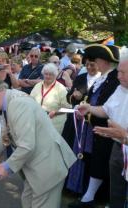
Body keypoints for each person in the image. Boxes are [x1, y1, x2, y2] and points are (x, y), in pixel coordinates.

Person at [0, 76, 76, 208]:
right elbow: (6, 138)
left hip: (47, 169)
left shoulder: (17, 104)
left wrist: (6, 166)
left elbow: (27, 146)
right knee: (27, 202)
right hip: (37, 169)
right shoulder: (9, 102)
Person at [68, 44, 120, 208]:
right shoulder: (104, 78)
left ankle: (92, 199)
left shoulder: (113, 80)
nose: (94, 63)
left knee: (101, 164)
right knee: (94, 162)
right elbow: (94, 102)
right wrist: (84, 108)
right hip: (94, 129)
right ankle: (88, 197)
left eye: (96, 59)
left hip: (107, 130)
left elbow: (107, 109)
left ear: (103, 61)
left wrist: (88, 110)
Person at [77, 57, 128, 208]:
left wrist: (124, 135)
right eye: (118, 72)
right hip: (117, 147)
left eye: (123, 73)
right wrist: (89, 108)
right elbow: (106, 110)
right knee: (117, 191)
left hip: (122, 142)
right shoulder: (120, 88)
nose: (118, 76)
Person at [30, 63, 70, 134]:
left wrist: (55, 112)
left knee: (51, 143)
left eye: (50, 74)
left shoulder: (61, 89)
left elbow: (67, 108)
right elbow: (30, 100)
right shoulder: (38, 85)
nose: (48, 76)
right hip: (38, 120)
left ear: (55, 75)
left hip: (54, 122)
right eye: (46, 74)